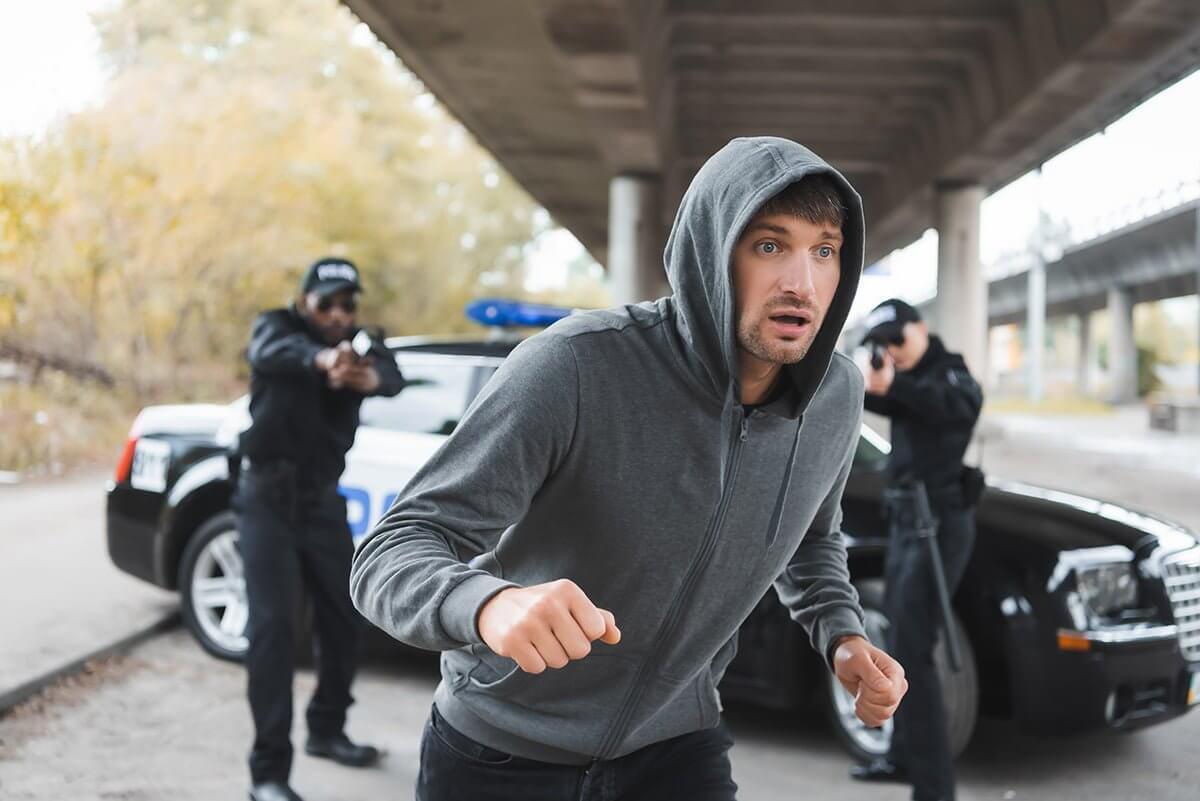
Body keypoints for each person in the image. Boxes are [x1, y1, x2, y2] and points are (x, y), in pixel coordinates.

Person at [350, 137, 908, 801]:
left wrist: (841, 634)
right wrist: (487, 602)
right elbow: (389, 551)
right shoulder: (576, 367)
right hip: (499, 749)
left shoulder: (835, 398)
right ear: (712, 251)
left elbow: (811, 540)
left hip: (674, 748)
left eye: (824, 249)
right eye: (769, 245)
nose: (801, 281)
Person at [235, 257, 405, 801]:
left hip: (322, 501)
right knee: (273, 632)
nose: (337, 313)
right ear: (304, 301)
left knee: (345, 617)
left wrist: (366, 373)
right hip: (266, 496)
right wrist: (323, 359)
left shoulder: (362, 342)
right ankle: (268, 775)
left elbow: (393, 377)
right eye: (326, 303)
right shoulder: (277, 328)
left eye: (346, 304)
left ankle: (327, 731)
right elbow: (271, 352)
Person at [851, 298, 984, 801]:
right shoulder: (907, 380)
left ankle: (934, 787)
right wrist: (871, 380)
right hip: (907, 522)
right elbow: (877, 400)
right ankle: (902, 756)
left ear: (920, 329)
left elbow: (959, 406)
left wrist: (895, 383)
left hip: (939, 525)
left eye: (896, 340)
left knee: (915, 651)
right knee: (901, 641)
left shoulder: (948, 373)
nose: (892, 351)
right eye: (882, 344)